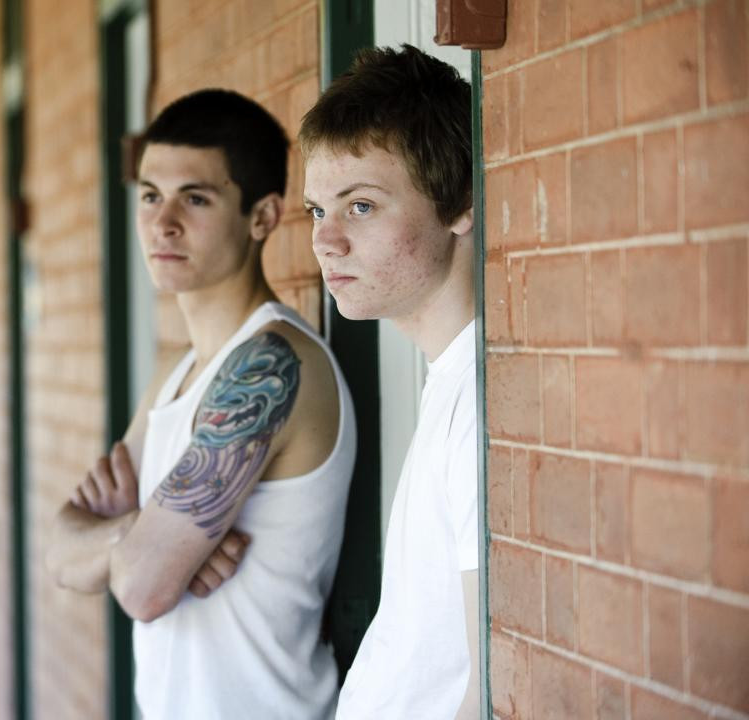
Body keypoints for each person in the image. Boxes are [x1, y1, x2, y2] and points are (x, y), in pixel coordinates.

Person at [45, 88, 357, 719]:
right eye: (150, 196)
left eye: (195, 198)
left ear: (262, 217)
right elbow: (58, 555)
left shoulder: (271, 364)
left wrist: (144, 550)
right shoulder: (175, 372)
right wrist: (138, 533)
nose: (162, 223)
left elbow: (141, 588)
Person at [299, 44, 480, 719]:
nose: (326, 241)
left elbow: (491, 689)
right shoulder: (450, 382)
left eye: (361, 207)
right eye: (317, 211)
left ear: (459, 203)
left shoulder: (483, 406)